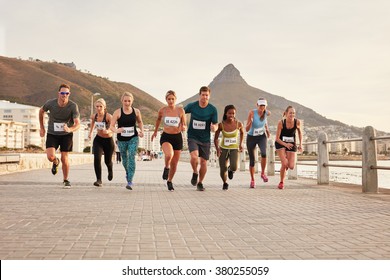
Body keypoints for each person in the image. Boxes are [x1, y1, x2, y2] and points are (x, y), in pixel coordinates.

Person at [39, 83, 80, 189]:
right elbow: (41, 111)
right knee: (50, 157)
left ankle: (66, 180)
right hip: (52, 133)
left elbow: (77, 124)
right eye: (62, 93)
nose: (64, 95)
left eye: (66, 93)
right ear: (59, 93)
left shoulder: (73, 106)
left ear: (69, 94)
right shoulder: (51, 103)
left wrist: (70, 129)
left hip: (66, 135)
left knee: (64, 157)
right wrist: (42, 127)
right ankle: (55, 161)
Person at [184, 86, 218, 191]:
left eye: (206, 95)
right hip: (192, 136)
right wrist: (182, 123)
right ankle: (195, 172)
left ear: (209, 96)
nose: (204, 97)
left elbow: (216, 124)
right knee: (194, 157)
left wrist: (214, 128)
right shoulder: (192, 106)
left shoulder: (212, 109)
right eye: (203, 95)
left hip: (205, 139)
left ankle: (200, 182)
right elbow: (181, 112)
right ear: (200, 95)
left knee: (203, 162)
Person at [151, 90, 186, 191]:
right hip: (166, 136)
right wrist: (155, 131)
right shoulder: (163, 110)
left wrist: (184, 127)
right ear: (166, 100)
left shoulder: (180, 111)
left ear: (175, 99)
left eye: (172, 99)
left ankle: (170, 181)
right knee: (169, 155)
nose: (171, 101)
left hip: (177, 137)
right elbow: (158, 120)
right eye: (169, 99)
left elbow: (184, 124)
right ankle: (166, 167)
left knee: (174, 163)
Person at [110, 92, 144, 190]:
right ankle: (128, 173)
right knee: (124, 159)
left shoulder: (136, 111)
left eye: (129, 101)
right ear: (122, 101)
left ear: (132, 101)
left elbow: (140, 122)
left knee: (131, 156)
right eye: (125, 101)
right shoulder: (117, 112)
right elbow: (111, 126)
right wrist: (117, 130)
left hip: (133, 137)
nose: (127, 103)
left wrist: (141, 131)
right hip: (121, 140)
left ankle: (130, 181)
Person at [214, 105, 244, 190]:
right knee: (223, 169)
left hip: (234, 148)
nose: (231, 115)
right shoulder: (221, 125)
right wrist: (217, 149)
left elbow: (242, 133)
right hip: (223, 148)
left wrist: (241, 144)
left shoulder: (239, 124)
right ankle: (225, 182)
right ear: (226, 114)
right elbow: (216, 138)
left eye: (233, 113)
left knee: (234, 166)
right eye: (229, 113)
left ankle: (231, 170)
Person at [274, 106, 303, 189]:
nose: (292, 114)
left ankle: (285, 161)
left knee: (291, 166)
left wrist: (300, 144)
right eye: (290, 113)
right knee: (284, 164)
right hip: (280, 143)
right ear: (286, 113)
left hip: (291, 143)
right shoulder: (281, 123)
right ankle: (281, 182)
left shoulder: (297, 122)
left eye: (293, 113)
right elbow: (277, 139)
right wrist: (285, 145)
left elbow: (300, 134)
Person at [88, 98, 114, 187]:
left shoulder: (108, 117)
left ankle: (110, 170)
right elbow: (92, 123)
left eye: (100, 106)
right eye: (97, 106)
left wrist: (108, 131)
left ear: (104, 107)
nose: (99, 108)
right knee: (97, 159)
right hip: (98, 139)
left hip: (108, 140)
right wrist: (90, 132)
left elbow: (113, 128)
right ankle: (99, 180)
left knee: (107, 161)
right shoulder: (94, 116)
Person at [245, 97, 271, 188]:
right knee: (252, 160)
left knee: (264, 153)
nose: (262, 108)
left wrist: (267, 130)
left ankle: (263, 173)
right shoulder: (252, 113)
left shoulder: (266, 112)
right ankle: (252, 180)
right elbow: (246, 129)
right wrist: (250, 123)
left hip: (261, 136)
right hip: (251, 137)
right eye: (260, 106)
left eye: (263, 106)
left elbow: (266, 120)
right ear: (257, 105)